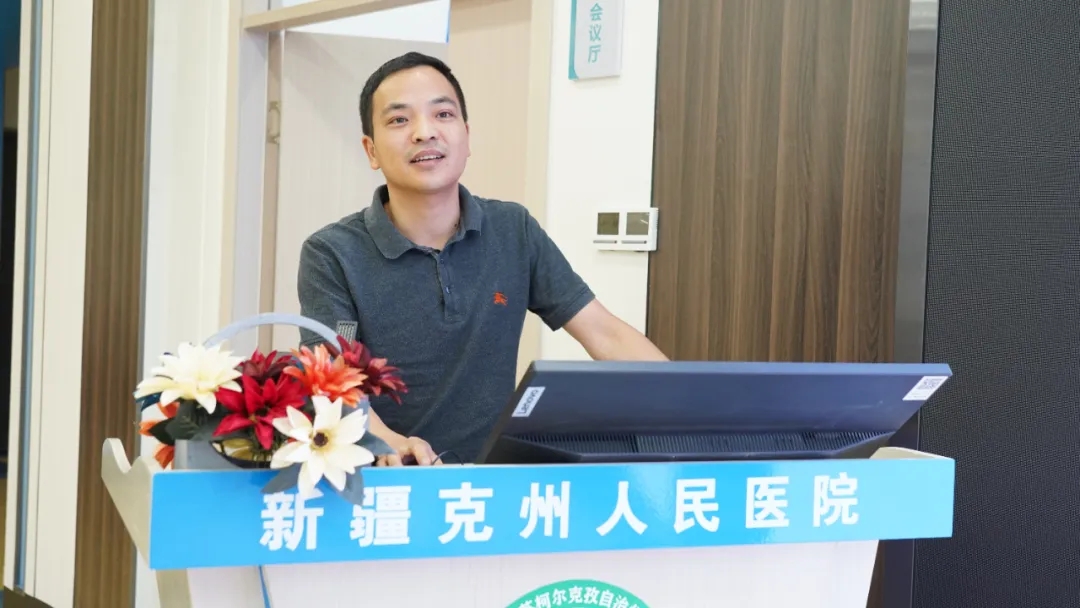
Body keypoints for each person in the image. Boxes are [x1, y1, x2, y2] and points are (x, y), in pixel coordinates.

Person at [297, 52, 667, 467]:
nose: (425, 132)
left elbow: (604, 333)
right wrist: (386, 441)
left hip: (491, 481)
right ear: (371, 151)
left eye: (443, 114)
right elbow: (330, 377)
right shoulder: (331, 253)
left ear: (466, 136)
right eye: (399, 120)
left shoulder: (513, 229)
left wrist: (690, 407)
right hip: (387, 481)